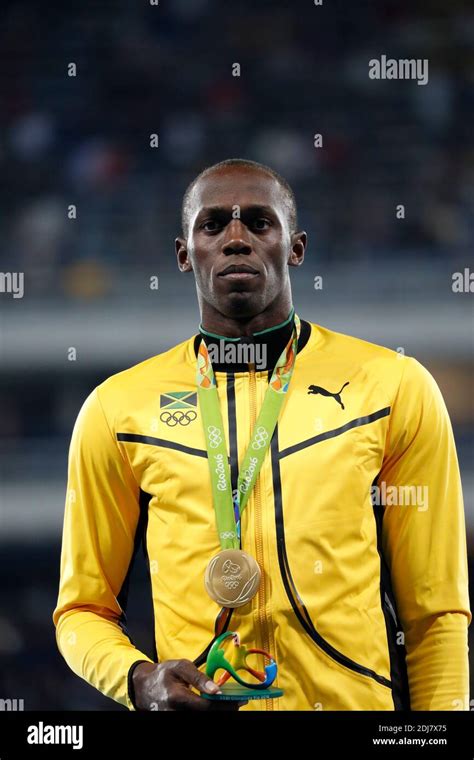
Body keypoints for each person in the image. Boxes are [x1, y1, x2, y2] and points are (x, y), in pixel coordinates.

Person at [53, 158, 471, 711]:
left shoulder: (392, 387)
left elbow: (435, 613)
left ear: (295, 247)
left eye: (258, 222)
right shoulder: (117, 410)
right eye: (211, 226)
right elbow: (81, 611)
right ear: (184, 255)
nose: (235, 239)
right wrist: (136, 679)